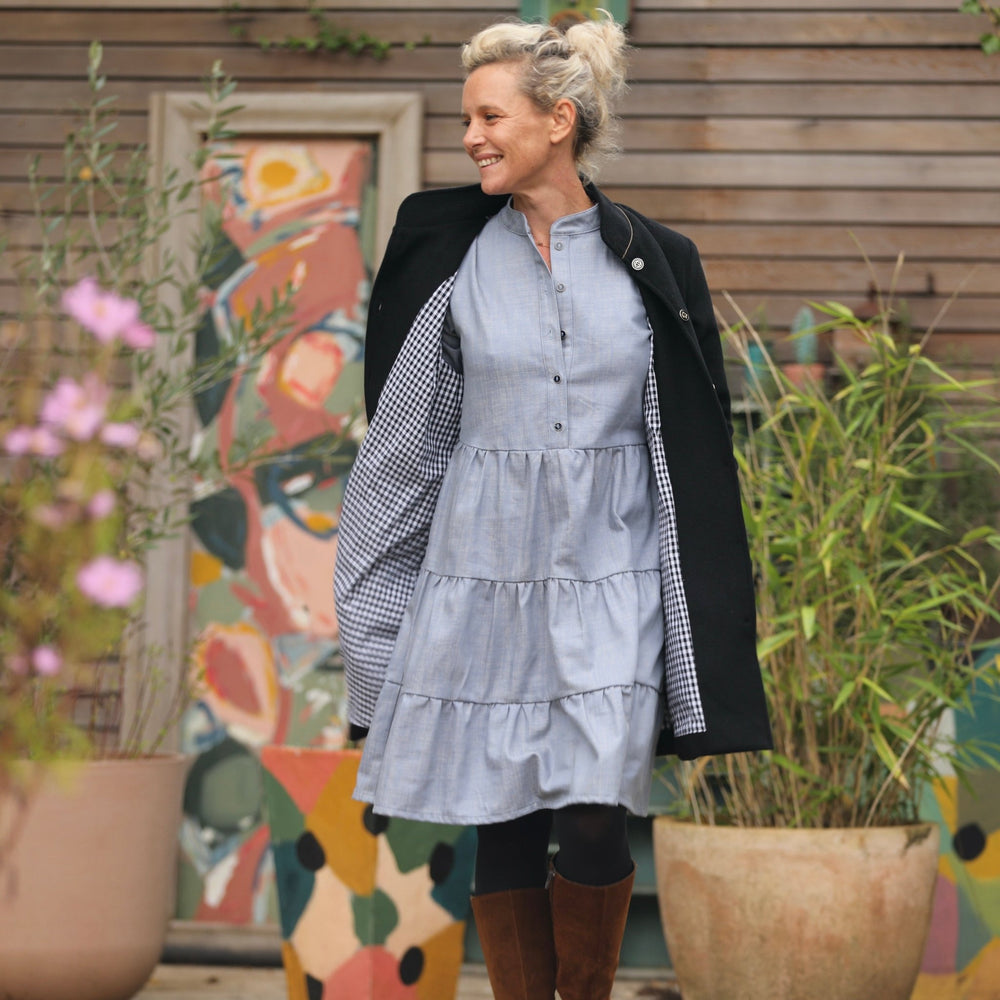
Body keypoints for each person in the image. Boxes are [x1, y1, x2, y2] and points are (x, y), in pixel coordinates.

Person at [334, 13, 771, 1000]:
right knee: (504, 819)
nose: (472, 138)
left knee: (591, 815)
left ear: (557, 121)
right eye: (467, 120)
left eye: (490, 117)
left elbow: (695, 453)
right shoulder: (447, 257)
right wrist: (374, 620)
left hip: (611, 578)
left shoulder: (656, 260)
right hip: (483, 577)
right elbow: (403, 450)